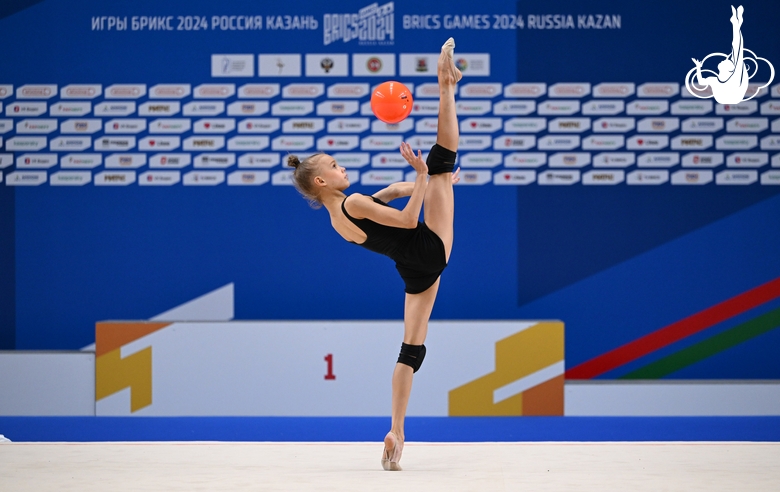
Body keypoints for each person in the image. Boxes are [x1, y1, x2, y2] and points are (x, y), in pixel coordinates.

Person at [288, 38, 462, 471]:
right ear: (322, 183)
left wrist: (425, 186)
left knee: (410, 350)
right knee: (441, 159)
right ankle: (446, 84)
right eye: (334, 165)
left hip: (413, 268)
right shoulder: (352, 201)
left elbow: (385, 198)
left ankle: (396, 432)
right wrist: (424, 178)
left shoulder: (337, 218)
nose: (340, 167)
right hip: (428, 245)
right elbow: (404, 221)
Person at [691, 5, 749, 104]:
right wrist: (698, 67)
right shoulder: (715, 80)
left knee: (737, 51)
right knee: (737, 52)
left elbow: (738, 48)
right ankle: (736, 24)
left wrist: (736, 26)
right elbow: (701, 82)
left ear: (729, 69)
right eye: (727, 60)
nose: (724, 59)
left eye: (727, 61)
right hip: (727, 97)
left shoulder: (734, 77)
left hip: (733, 96)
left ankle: (736, 24)